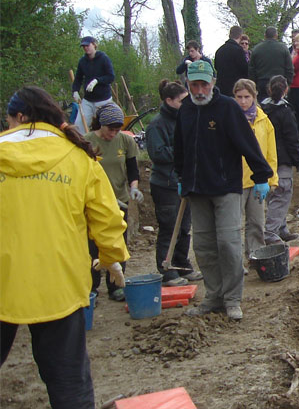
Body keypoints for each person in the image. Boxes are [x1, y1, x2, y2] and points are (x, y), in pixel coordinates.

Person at [1, 86, 129, 408]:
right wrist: (111, 257)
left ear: (19, 117)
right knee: (69, 383)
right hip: (58, 285)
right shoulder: (78, 158)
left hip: (4, 283)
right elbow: (107, 219)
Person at [174, 60, 272, 321]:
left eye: (204, 85)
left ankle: (232, 299)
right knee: (204, 246)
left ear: (213, 82)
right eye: (194, 85)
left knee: (228, 244)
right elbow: (180, 146)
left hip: (226, 187)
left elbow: (247, 142)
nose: (199, 91)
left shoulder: (227, 108)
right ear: (187, 84)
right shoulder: (186, 109)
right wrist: (181, 176)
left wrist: (261, 175)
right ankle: (213, 296)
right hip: (197, 189)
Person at [146, 80, 203, 286]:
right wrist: (183, 149)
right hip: (165, 183)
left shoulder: (185, 119)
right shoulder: (157, 125)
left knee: (185, 227)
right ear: (169, 101)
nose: (186, 103)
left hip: (185, 181)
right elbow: (157, 153)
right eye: (182, 100)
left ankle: (182, 264)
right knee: (170, 228)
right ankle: (166, 270)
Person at [83, 103, 141, 302]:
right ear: (101, 124)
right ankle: (91, 288)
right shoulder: (87, 142)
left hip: (120, 202)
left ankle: (115, 287)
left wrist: (134, 188)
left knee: (117, 244)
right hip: (94, 203)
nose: (114, 134)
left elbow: (132, 169)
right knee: (93, 247)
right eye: (111, 129)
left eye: (117, 130)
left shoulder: (125, 141)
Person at [233, 78, 278, 257]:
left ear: (254, 96)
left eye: (247, 97)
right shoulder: (230, 118)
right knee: (233, 225)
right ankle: (234, 260)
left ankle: (256, 255)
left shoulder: (263, 120)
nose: (243, 101)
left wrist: (272, 178)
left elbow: (270, 153)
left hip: (258, 181)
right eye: (239, 97)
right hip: (235, 181)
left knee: (257, 222)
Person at [262, 75, 299, 244]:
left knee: (272, 197)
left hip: (263, 161)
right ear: (286, 90)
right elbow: (292, 140)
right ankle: (270, 233)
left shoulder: (261, 110)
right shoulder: (285, 112)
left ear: (269, 89)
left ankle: (281, 229)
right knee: (281, 195)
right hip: (281, 161)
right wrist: (298, 161)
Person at [71, 36, 115, 135]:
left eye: (88, 45)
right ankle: (81, 143)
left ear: (94, 45)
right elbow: (78, 78)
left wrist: (97, 81)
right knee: (79, 125)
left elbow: (111, 77)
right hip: (88, 100)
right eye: (84, 46)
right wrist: (75, 91)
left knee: (106, 126)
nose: (86, 48)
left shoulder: (103, 58)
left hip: (103, 100)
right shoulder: (82, 61)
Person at [249, 27, 294, 102]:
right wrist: (288, 83)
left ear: (265, 36)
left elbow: (251, 70)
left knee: (262, 105)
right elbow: (290, 68)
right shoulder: (283, 48)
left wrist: (254, 85)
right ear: (276, 35)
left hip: (261, 83)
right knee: (279, 105)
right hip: (280, 83)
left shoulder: (256, 49)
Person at [214, 26, 250, 97]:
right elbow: (245, 69)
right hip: (234, 89)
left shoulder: (219, 50)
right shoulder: (238, 50)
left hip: (221, 89)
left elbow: (216, 67)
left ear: (229, 35)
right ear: (240, 36)